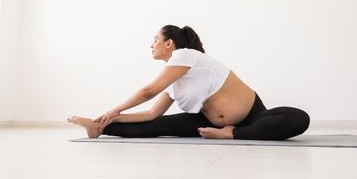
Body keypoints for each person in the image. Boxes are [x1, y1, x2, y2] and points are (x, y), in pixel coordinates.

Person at [68, 25, 310, 140]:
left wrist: (116, 109)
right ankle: (97, 128)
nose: (151, 45)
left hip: (252, 116)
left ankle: (233, 133)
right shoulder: (173, 80)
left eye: (155, 40)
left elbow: (148, 91)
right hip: (208, 123)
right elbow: (151, 114)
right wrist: (107, 118)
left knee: (298, 118)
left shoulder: (185, 55)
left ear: (169, 44)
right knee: (157, 126)